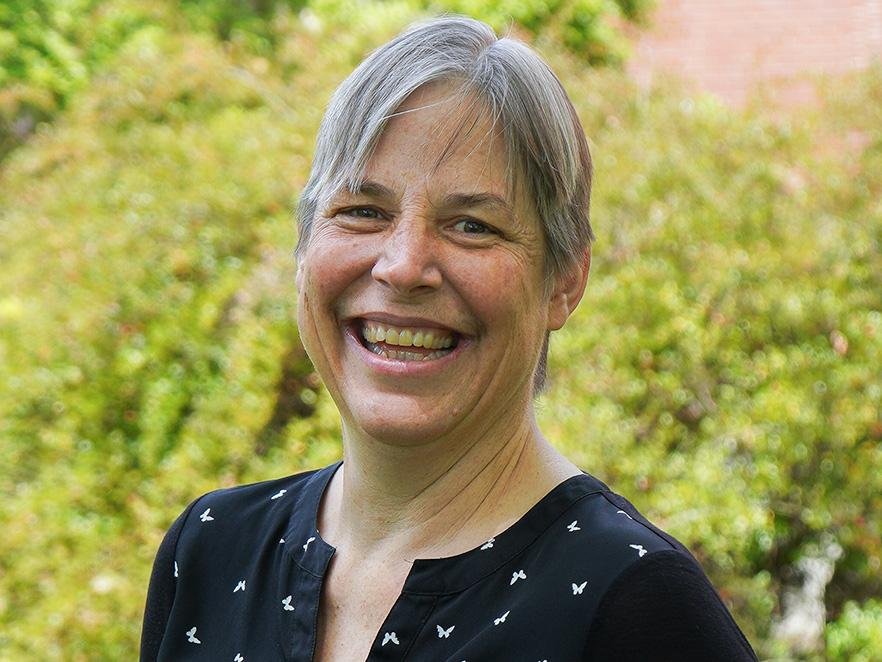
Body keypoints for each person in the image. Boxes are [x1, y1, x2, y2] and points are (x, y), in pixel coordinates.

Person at [140, 16, 757, 661]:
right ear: (303, 248)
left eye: (471, 225)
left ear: (565, 283)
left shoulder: (634, 606)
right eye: (363, 212)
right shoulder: (211, 553)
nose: (403, 265)